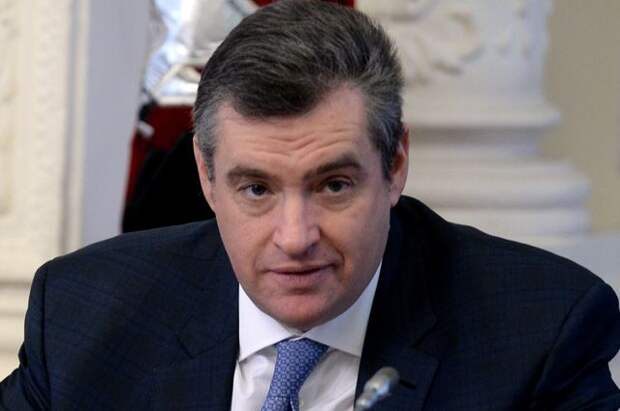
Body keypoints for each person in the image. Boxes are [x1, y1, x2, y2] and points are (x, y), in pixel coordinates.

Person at [2, 1, 620, 409]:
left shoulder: (538, 335)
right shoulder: (87, 317)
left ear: (395, 165)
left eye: (333, 186)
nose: (295, 237)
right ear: (207, 177)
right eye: (256, 190)